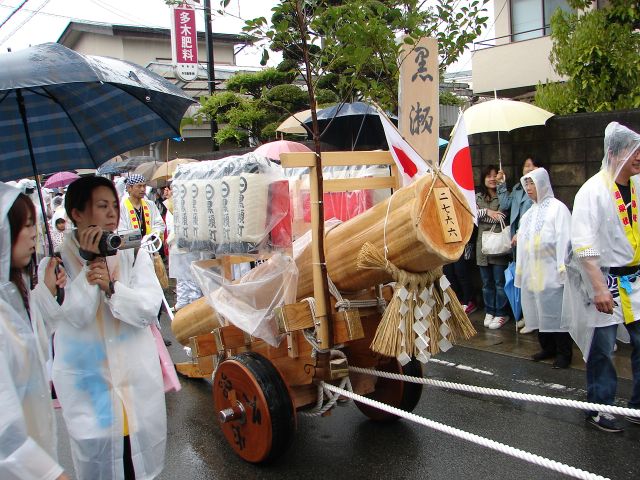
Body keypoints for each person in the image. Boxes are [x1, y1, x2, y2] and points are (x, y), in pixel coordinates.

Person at [39, 176, 167, 478]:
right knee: (102, 466)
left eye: (113, 205)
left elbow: (149, 308)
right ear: (77, 214)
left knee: (135, 463)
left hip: (135, 380)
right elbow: (74, 317)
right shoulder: (57, 263)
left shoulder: (131, 250)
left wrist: (112, 289)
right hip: (90, 389)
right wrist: (87, 269)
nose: (112, 213)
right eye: (101, 206)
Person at [563, 122, 640, 433]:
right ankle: (599, 406)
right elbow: (583, 245)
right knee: (603, 347)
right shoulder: (593, 190)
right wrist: (597, 288)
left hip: (634, 278)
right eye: (634, 151)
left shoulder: (636, 186)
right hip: (605, 279)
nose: (639, 157)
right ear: (614, 153)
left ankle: (637, 405)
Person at [0, 182, 68, 480]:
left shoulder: (14, 291)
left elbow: (35, 346)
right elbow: (5, 431)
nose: (33, 234)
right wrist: (52, 474)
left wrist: (46, 292)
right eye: (25, 225)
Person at [514, 168, 573, 369]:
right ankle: (547, 348)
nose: (529, 188)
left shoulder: (558, 209)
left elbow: (565, 239)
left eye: (532, 184)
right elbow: (522, 244)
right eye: (526, 184)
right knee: (538, 312)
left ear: (542, 184)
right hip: (533, 273)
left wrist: (562, 268)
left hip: (552, 272)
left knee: (557, 314)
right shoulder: (528, 214)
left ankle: (564, 353)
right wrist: (521, 271)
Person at [497, 156, 540, 332]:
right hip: (516, 242)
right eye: (525, 165)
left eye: (532, 165)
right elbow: (505, 204)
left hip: (531, 243)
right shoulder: (516, 189)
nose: (528, 168)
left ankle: (534, 318)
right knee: (520, 278)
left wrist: (522, 234)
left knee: (533, 280)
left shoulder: (540, 190)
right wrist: (501, 184)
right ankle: (525, 316)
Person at [476, 165, 511, 329]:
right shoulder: (477, 197)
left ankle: (501, 313)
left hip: (499, 245)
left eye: (494, 176)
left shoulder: (504, 196)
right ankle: (489, 311)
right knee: (486, 283)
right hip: (482, 248)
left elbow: (503, 216)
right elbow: (471, 215)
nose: (491, 179)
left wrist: (483, 214)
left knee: (499, 283)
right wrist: (487, 212)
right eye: (488, 176)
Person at [119, 174, 165, 239]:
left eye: (144, 186)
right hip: (132, 247)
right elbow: (121, 230)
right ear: (129, 188)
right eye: (139, 186)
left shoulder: (151, 205)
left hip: (150, 245)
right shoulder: (122, 207)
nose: (143, 189)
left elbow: (159, 223)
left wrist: (153, 235)